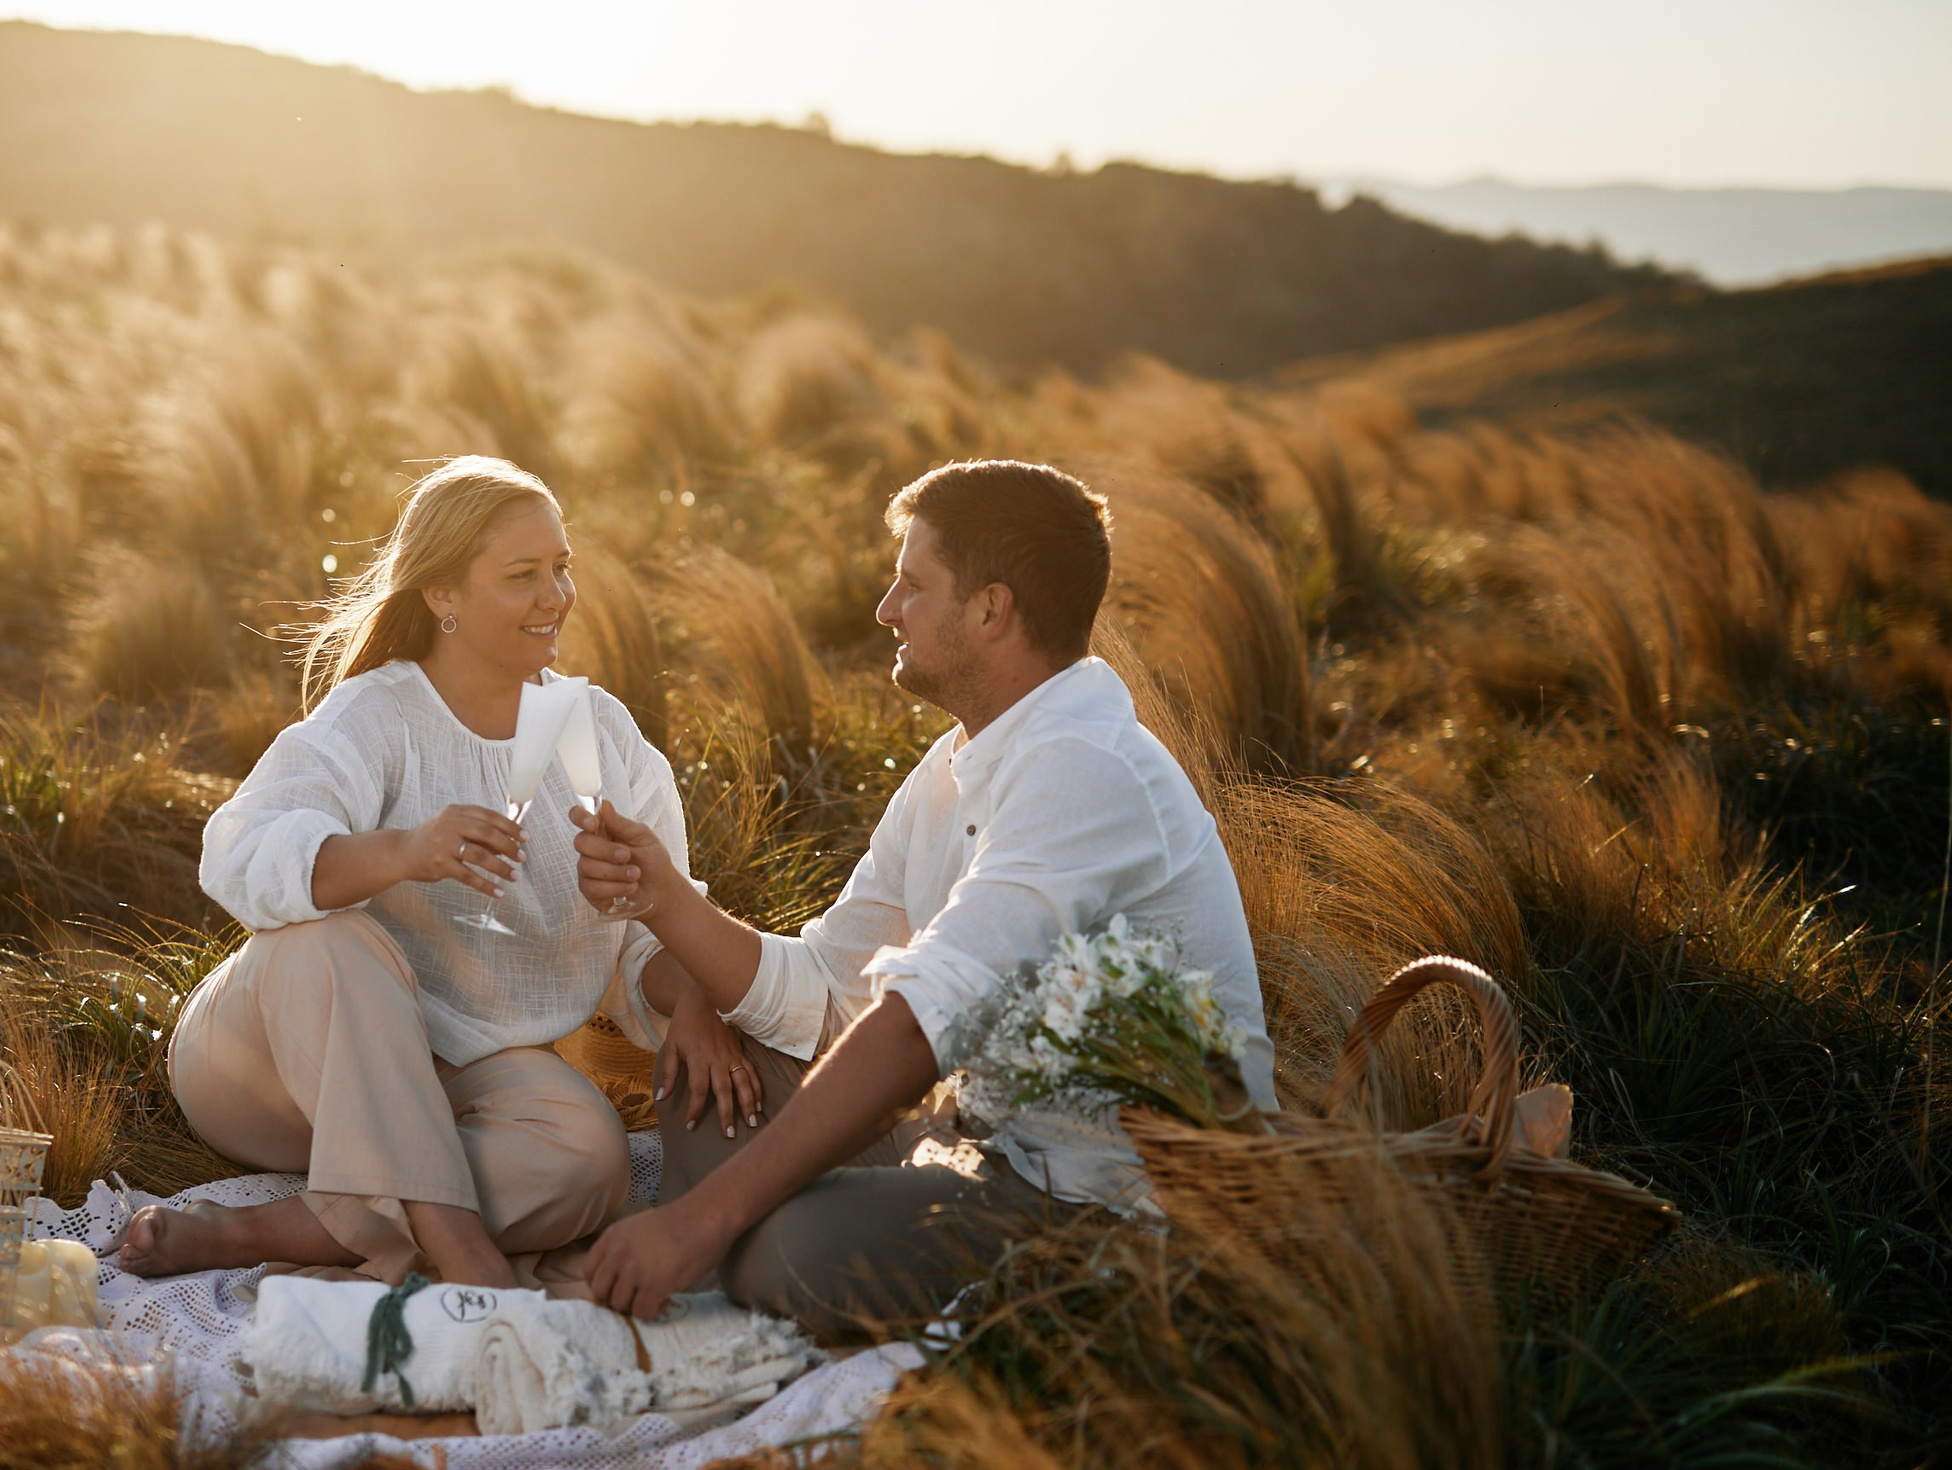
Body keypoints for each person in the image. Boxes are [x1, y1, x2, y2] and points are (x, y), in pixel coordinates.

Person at [571, 459, 1278, 1331]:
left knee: (777, 1250)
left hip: (1107, 1202)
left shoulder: (1085, 770)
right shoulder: (951, 768)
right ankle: (785, 1214)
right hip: (970, 1139)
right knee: (706, 1083)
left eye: (912, 584)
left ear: (991, 608)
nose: (885, 610)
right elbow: (832, 990)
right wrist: (663, 899)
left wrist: (697, 1222)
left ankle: (749, 1232)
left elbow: (912, 1026)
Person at [118, 456, 757, 1288]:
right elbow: (240, 847)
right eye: (522, 575)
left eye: (562, 568)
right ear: (443, 595)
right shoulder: (381, 713)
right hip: (274, 1072)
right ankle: (457, 1242)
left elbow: (649, 933)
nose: (556, 596)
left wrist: (698, 997)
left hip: (463, 1066)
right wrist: (402, 853)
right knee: (329, 936)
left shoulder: (594, 731)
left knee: (588, 1156)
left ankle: (260, 1231)